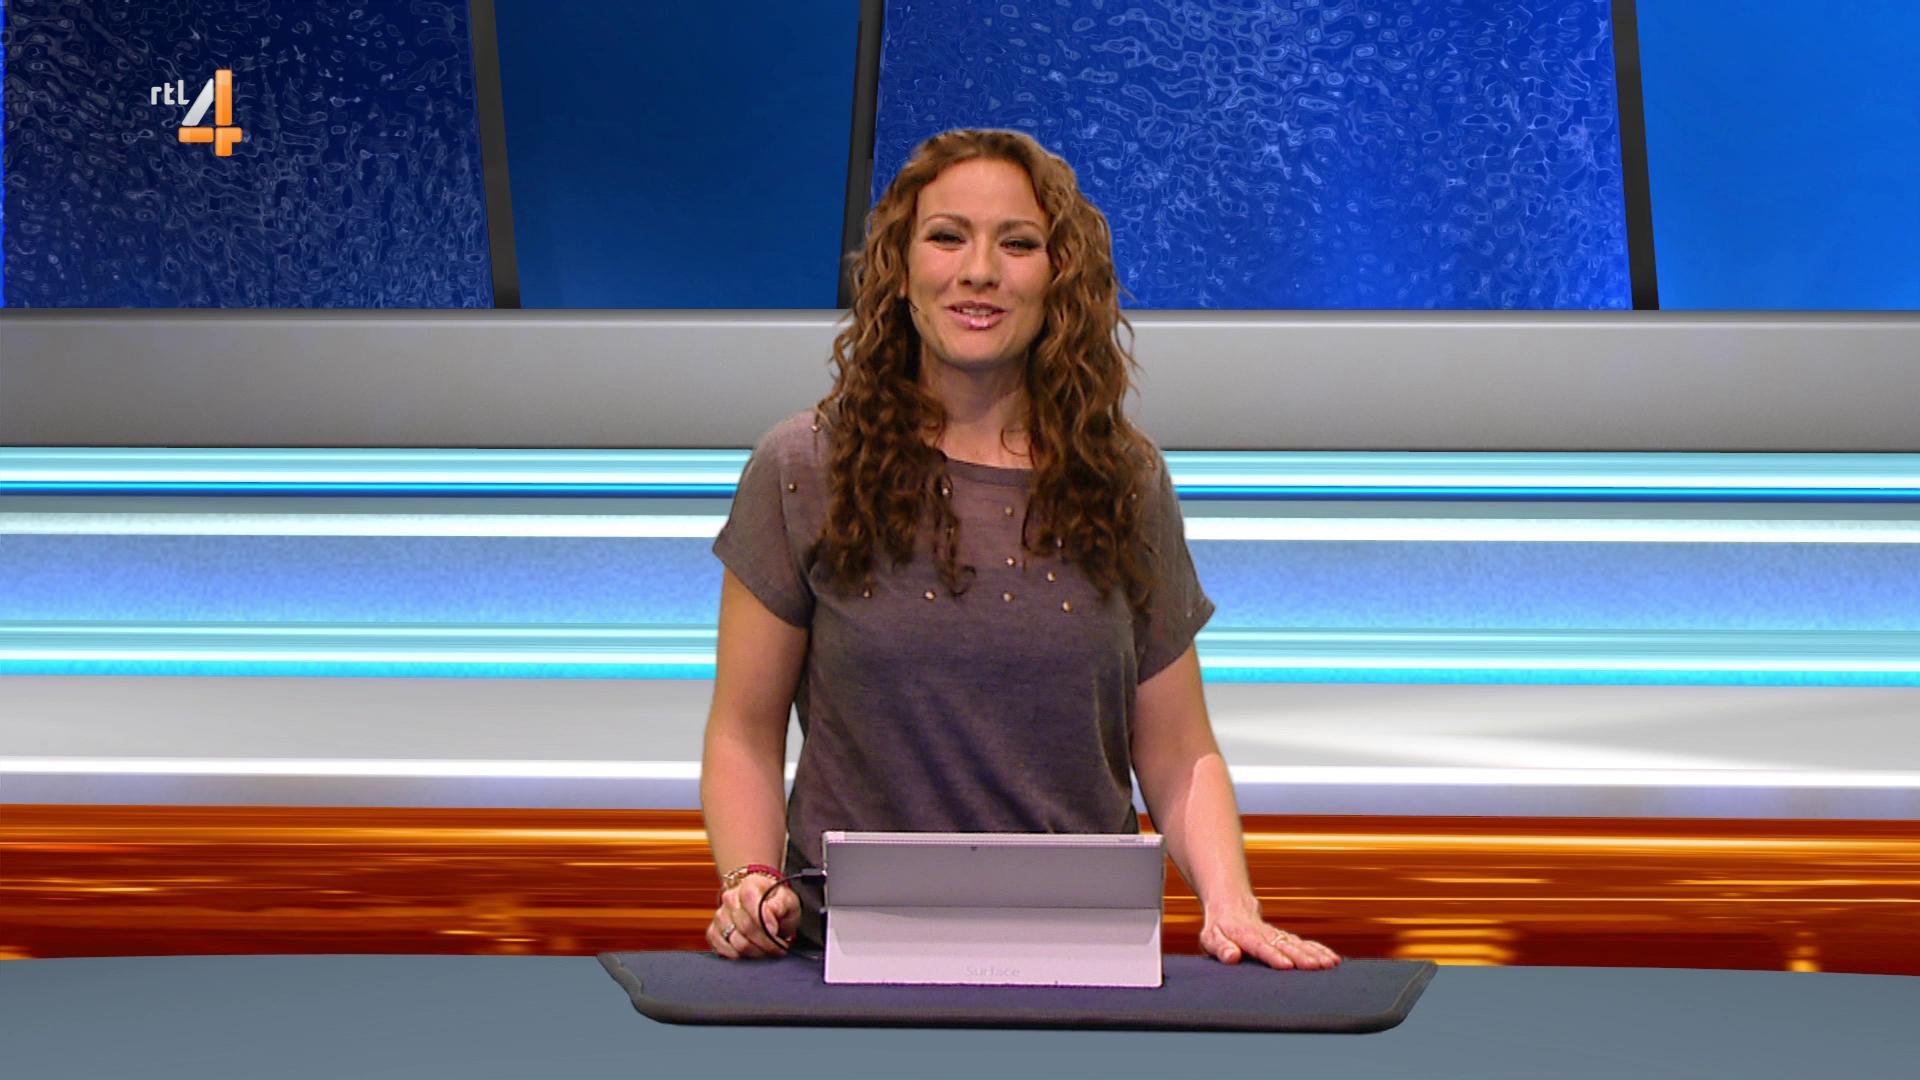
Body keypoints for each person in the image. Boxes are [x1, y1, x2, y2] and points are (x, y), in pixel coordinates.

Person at [700, 128, 1340, 972]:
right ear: (898, 270)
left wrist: (1230, 904)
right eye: (946, 236)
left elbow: (1180, 752)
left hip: (1091, 963)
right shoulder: (803, 468)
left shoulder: (1124, 480)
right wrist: (751, 881)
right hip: (849, 965)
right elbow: (743, 732)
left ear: (1059, 276)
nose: (979, 270)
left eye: (1018, 243)